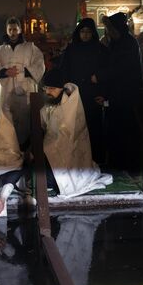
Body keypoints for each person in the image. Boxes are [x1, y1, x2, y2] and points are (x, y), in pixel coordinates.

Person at [40, 68, 112, 197]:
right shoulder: (50, 103)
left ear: (61, 88)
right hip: (50, 152)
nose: (48, 91)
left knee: (51, 179)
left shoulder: (70, 104)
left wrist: (47, 145)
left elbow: (67, 134)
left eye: (52, 88)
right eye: (46, 88)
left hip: (69, 155)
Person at [92, 12, 143, 172]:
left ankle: (127, 164)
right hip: (116, 95)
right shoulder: (118, 43)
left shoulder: (128, 43)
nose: (107, 32)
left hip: (126, 95)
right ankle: (117, 162)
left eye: (109, 29)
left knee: (126, 131)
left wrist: (99, 76)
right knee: (115, 130)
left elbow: (120, 68)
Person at [59, 18, 108, 163]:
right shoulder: (71, 50)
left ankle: (96, 160)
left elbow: (106, 73)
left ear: (93, 33)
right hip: (75, 96)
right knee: (76, 130)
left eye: (88, 32)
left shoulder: (101, 50)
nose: (85, 35)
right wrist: (67, 89)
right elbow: (64, 71)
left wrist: (103, 93)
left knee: (94, 130)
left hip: (94, 97)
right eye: (83, 32)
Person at [0, 17, 45, 146]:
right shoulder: (0, 50)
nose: (13, 32)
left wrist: (25, 72)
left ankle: (25, 152)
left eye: (15, 29)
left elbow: (40, 64)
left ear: (20, 30)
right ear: (6, 30)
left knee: (25, 122)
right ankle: (9, 153)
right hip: (7, 92)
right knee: (6, 122)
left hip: (25, 90)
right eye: (10, 29)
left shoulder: (30, 47)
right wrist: (5, 72)